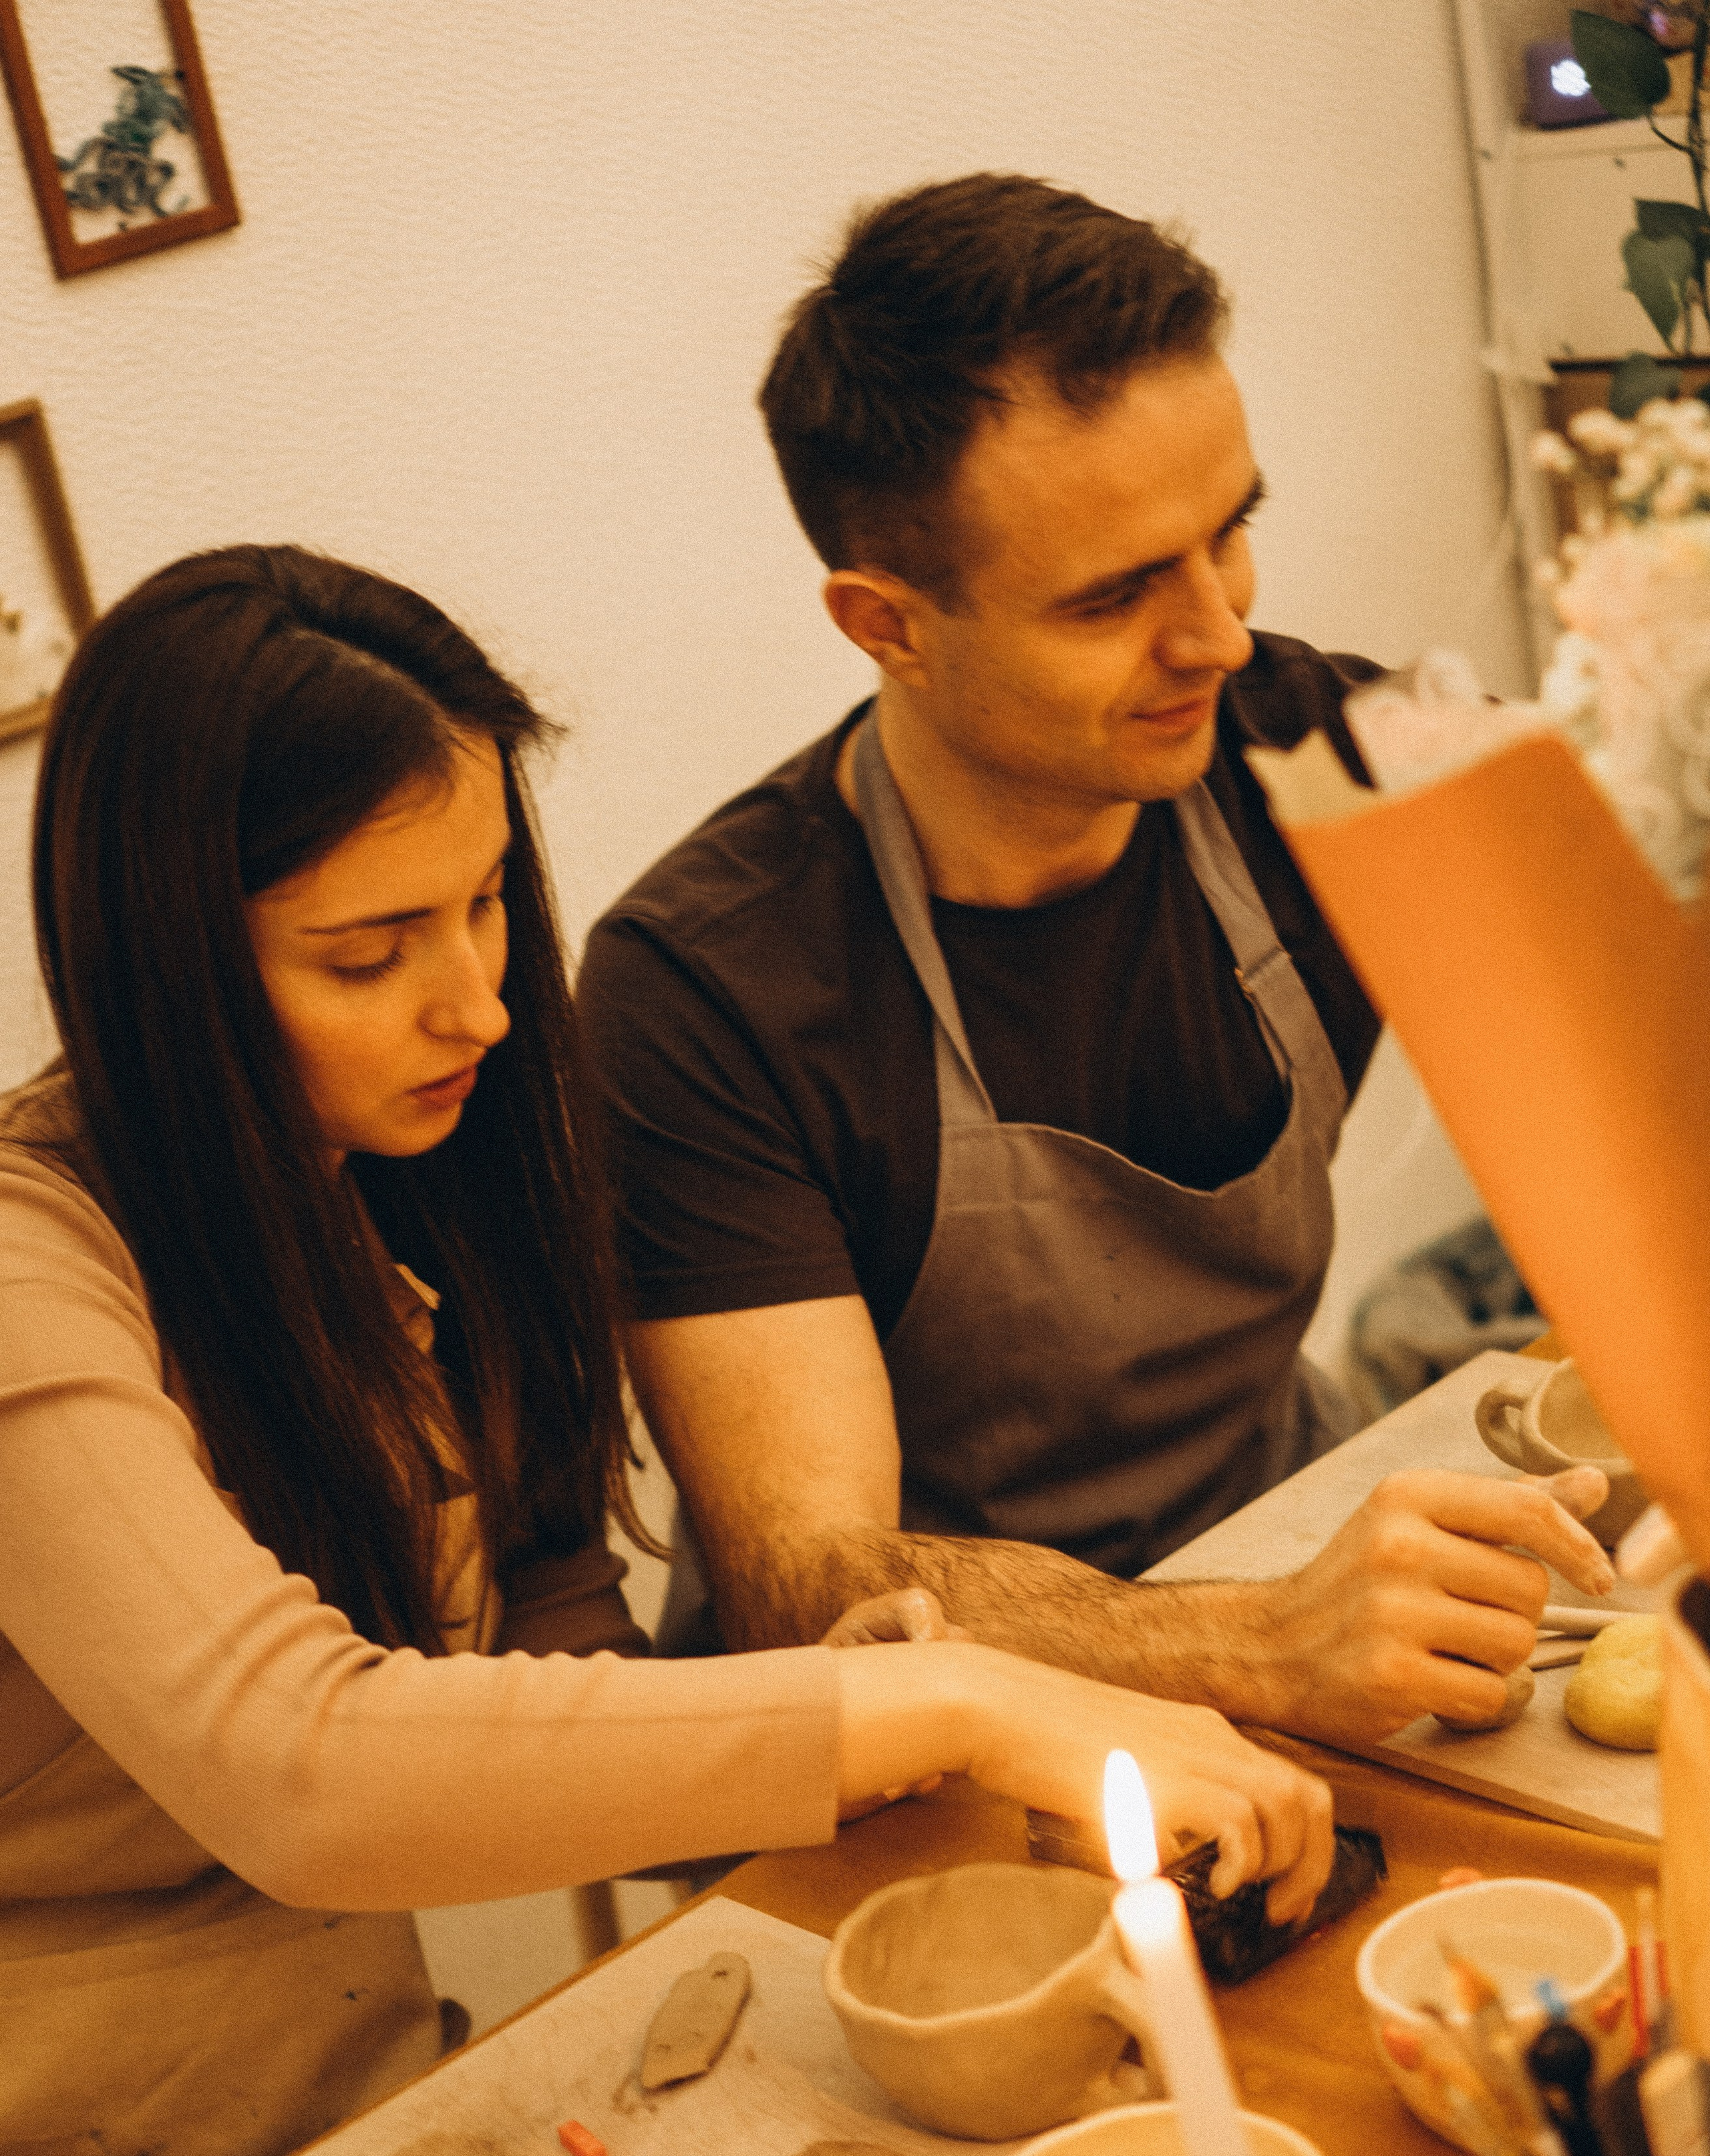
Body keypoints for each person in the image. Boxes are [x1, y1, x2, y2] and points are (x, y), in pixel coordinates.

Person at [0, 544, 1333, 2156]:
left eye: (484, 904)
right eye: (368, 950)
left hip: (362, 2151)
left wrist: (851, 1727)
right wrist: (954, 1696)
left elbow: (552, 1651)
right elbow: (298, 1771)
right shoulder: (34, 1270)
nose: (475, 998)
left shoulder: (413, 1183)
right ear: (162, 973)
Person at [578, 173, 1611, 1736]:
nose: (1214, 635)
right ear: (887, 623)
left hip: (1284, 1556)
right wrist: (1254, 1646)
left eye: (1228, 534)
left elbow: (1644, 1088)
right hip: (925, 1742)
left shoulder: (1335, 758)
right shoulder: (707, 990)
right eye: (1113, 595)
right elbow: (818, 1586)